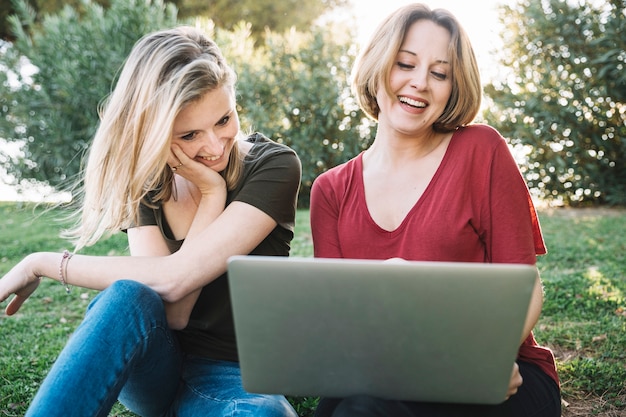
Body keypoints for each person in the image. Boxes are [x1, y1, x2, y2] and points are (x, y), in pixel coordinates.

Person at [0, 26, 301, 417]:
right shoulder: (146, 183)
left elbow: (175, 279)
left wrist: (41, 263)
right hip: (153, 365)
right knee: (128, 296)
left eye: (225, 119)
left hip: (232, 376)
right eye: (190, 134)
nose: (213, 146)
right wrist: (211, 196)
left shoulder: (274, 166)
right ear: (153, 132)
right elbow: (172, 312)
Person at [309, 3, 561, 417]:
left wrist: (479, 363)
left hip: (497, 371)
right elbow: (339, 325)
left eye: (439, 73)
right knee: (353, 405)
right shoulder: (331, 191)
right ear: (377, 67)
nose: (420, 83)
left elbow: (524, 289)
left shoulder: (483, 151)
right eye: (404, 64)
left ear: (453, 86)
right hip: (383, 373)